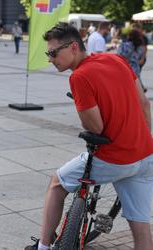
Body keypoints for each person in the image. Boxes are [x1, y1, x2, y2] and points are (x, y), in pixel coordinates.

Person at [25, 22, 153, 250]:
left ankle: (43, 246)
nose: (50, 59)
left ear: (73, 47)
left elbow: (96, 128)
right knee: (142, 229)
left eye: (53, 53)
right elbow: (144, 104)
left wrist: (82, 104)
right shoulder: (116, 59)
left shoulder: (79, 77)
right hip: (145, 156)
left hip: (113, 158)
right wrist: (141, 138)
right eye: (48, 53)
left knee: (57, 183)